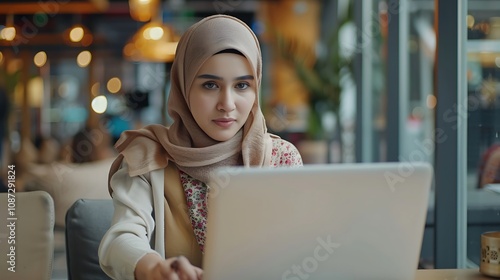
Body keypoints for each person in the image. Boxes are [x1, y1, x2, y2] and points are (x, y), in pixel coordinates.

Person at [98, 14, 303, 280]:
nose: (227, 103)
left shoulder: (281, 158)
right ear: (184, 88)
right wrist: (153, 268)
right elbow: (120, 239)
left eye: (242, 85)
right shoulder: (149, 155)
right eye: (210, 85)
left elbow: (299, 248)